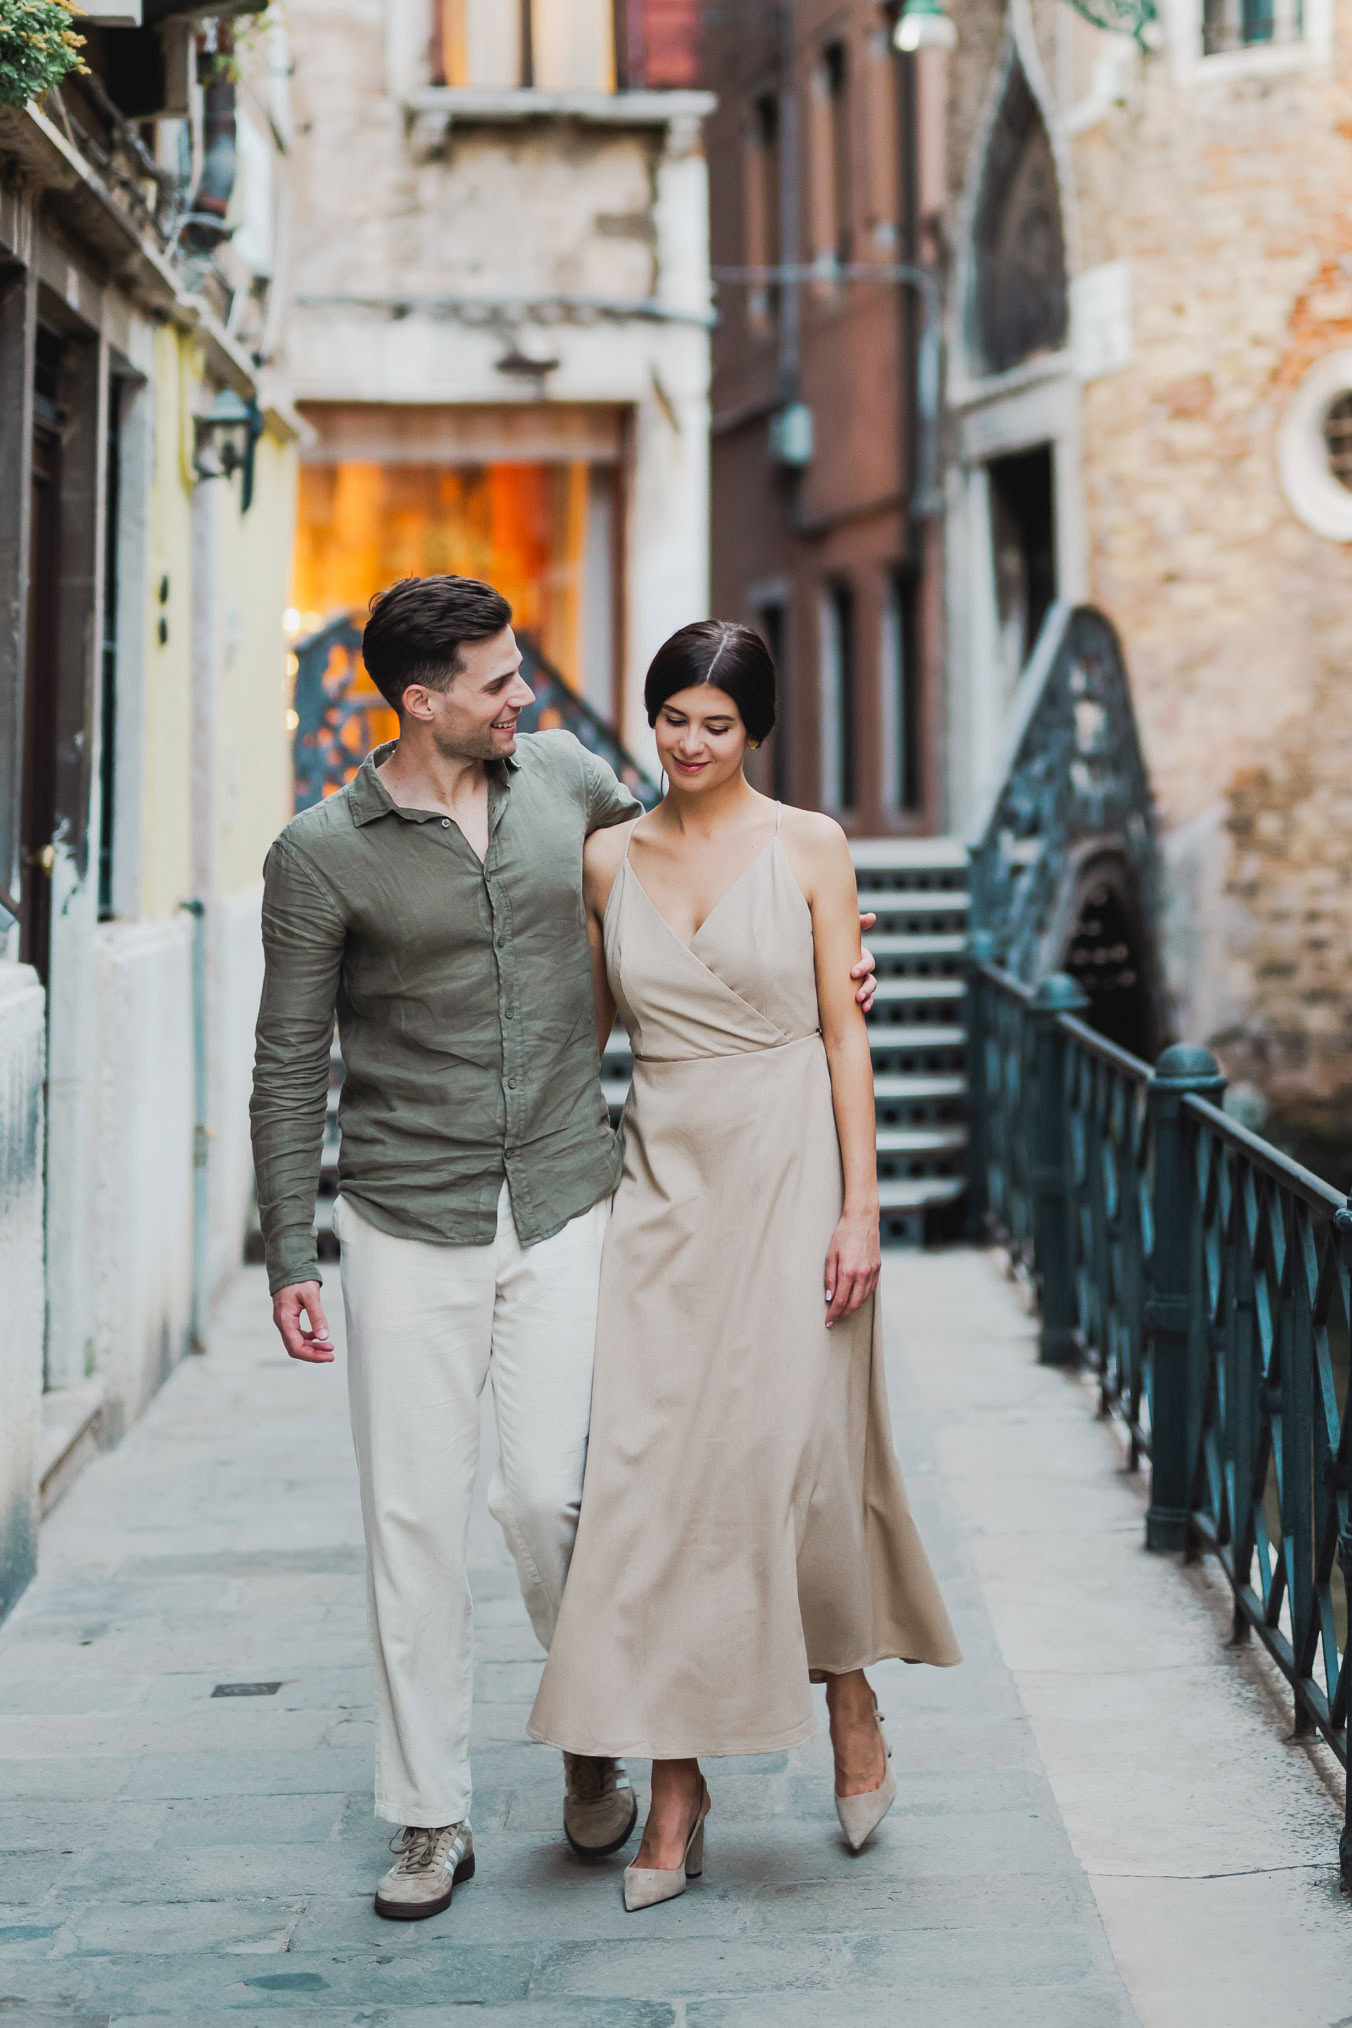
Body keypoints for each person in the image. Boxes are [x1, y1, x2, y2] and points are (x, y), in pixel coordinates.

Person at [249, 577, 880, 1922]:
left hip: (566, 1196)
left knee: (552, 1500)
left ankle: (601, 1723)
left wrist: (832, 949)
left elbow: (691, 869)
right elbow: (288, 1054)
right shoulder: (320, 854)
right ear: (423, 703)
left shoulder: (570, 782)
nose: (522, 695)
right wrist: (286, 1254)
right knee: (411, 1519)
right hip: (404, 1214)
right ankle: (429, 1817)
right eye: (495, 681)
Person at [528, 620, 961, 1912]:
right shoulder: (606, 859)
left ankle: (850, 1699)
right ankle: (675, 1788)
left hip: (793, 1174)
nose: (692, 743)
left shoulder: (813, 847)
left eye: (718, 723)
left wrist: (863, 1210)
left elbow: (843, 1039)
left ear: (756, 731)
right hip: (661, 1187)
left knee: (797, 1461)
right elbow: (578, 1032)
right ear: (648, 720)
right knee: (652, 1485)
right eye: (672, 718)